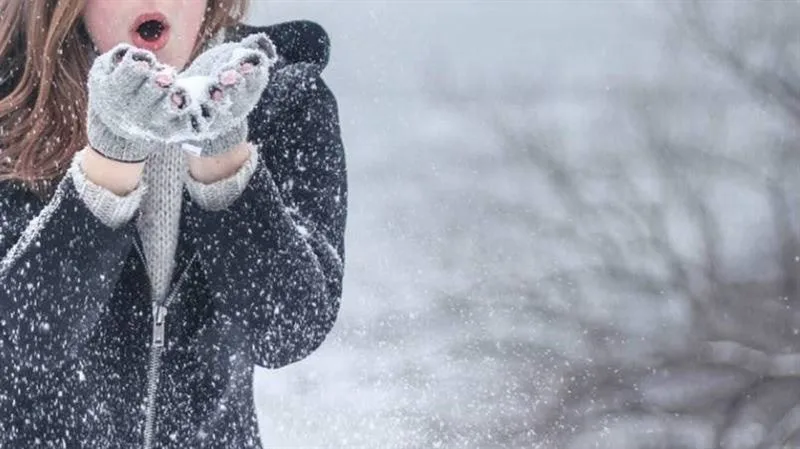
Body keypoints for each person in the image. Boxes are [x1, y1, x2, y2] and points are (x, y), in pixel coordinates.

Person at [0, 0, 347, 447]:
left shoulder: (281, 98)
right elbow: (22, 340)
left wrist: (223, 157)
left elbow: (288, 331)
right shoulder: (12, 101)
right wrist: (111, 161)